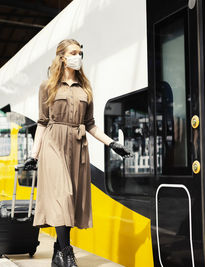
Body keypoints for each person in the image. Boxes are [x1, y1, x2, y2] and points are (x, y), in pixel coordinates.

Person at [23, 39, 132, 267]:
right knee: (63, 195)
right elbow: (42, 122)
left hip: (77, 146)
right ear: (62, 57)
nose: (78, 56)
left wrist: (112, 144)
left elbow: (90, 124)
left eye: (80, 53)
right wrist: (34, 155)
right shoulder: (47, 87)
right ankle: (67, 253)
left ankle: (57, 251)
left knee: (73, 199)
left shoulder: (85, 89)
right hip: (54, 143)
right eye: (73, 52)